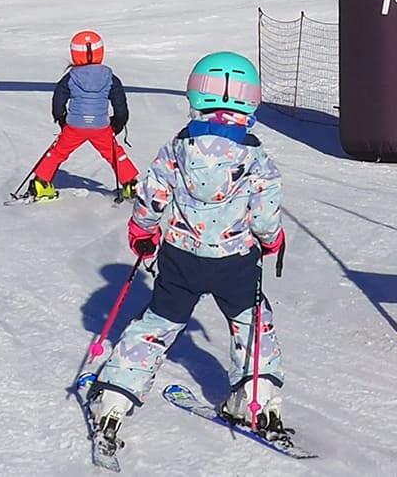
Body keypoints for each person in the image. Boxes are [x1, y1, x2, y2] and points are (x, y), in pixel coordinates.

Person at [87, 51, 286, 445]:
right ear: (251, 100)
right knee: (251, 322)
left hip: (182, 259)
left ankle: (113, 401)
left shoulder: (176, 149)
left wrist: (143, 233)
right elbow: (265, 213)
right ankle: (258, 399)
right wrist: (270, 240)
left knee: (158, 324)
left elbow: (151, 197)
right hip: (236, 261)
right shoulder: (256, 158)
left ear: (196, 94)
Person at [26, 30, 139, 201]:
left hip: (74, 125)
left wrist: (61, 118)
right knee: (115, 153)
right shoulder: (110, 78)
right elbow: (120, 105)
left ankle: (41, 183)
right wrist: (118, 123)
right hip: (101, 126)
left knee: (57, 152)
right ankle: (130, 185)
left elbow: (58, 99)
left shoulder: (70, 77)